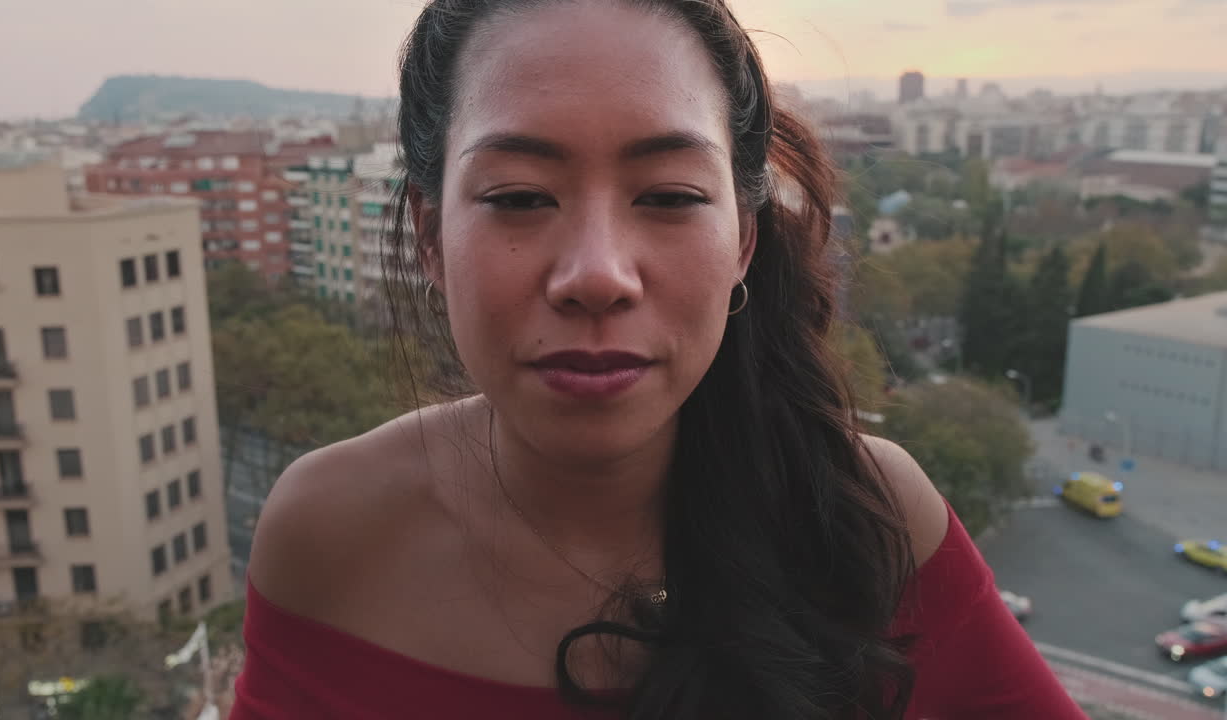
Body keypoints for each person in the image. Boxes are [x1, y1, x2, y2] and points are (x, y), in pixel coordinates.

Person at [231, 1, 1086, 718]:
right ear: (429, 238)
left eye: (671, 196)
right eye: (520, 196)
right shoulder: (330, 534)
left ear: (743, 240)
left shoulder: (862, 517)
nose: (597, 275)